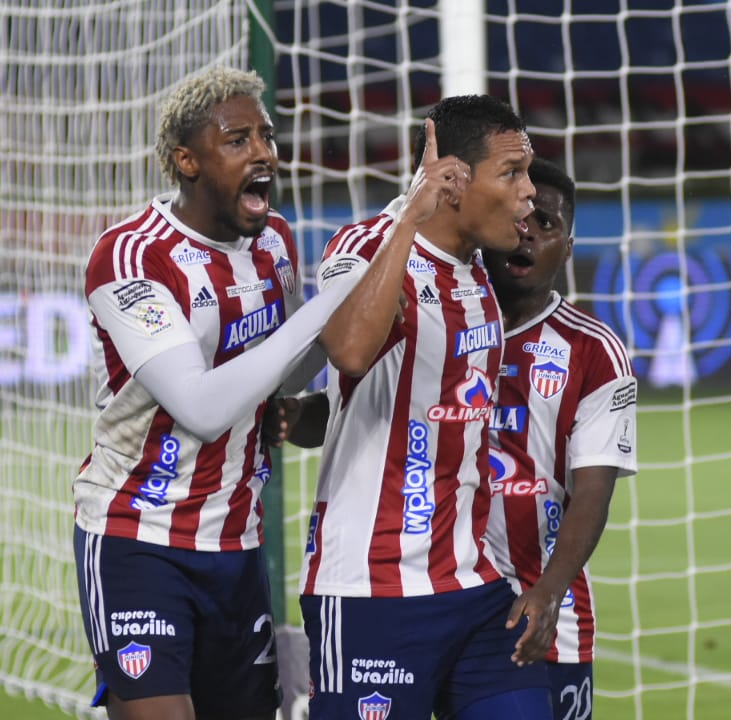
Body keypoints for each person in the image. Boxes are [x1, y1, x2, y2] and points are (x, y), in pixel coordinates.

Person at [74, 66, 343, 720]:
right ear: (186, 160)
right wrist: (336, 299)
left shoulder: (274, 241)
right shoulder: (133, 256)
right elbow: (201, 407)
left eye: (266, 136)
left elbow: (280, 372)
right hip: (139, 535)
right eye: (237, 139)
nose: (263, 153)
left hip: (237, 543)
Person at [298, 95, 554, 719]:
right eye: (512, 173)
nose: (530, 192)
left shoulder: (476, 271)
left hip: (472, 583)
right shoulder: (369, 242)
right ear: (455, 180)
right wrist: (411, 216)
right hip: (371, 588)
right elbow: (351, 352)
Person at [482, 157, 638, 720]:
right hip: (436, 594)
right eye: (519, 217)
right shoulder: (443, 318)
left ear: (567, 249)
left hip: (544, 605)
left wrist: (548, 591)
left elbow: (593, 494)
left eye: (546, 224)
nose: (527, 233)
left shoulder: (594, 351)